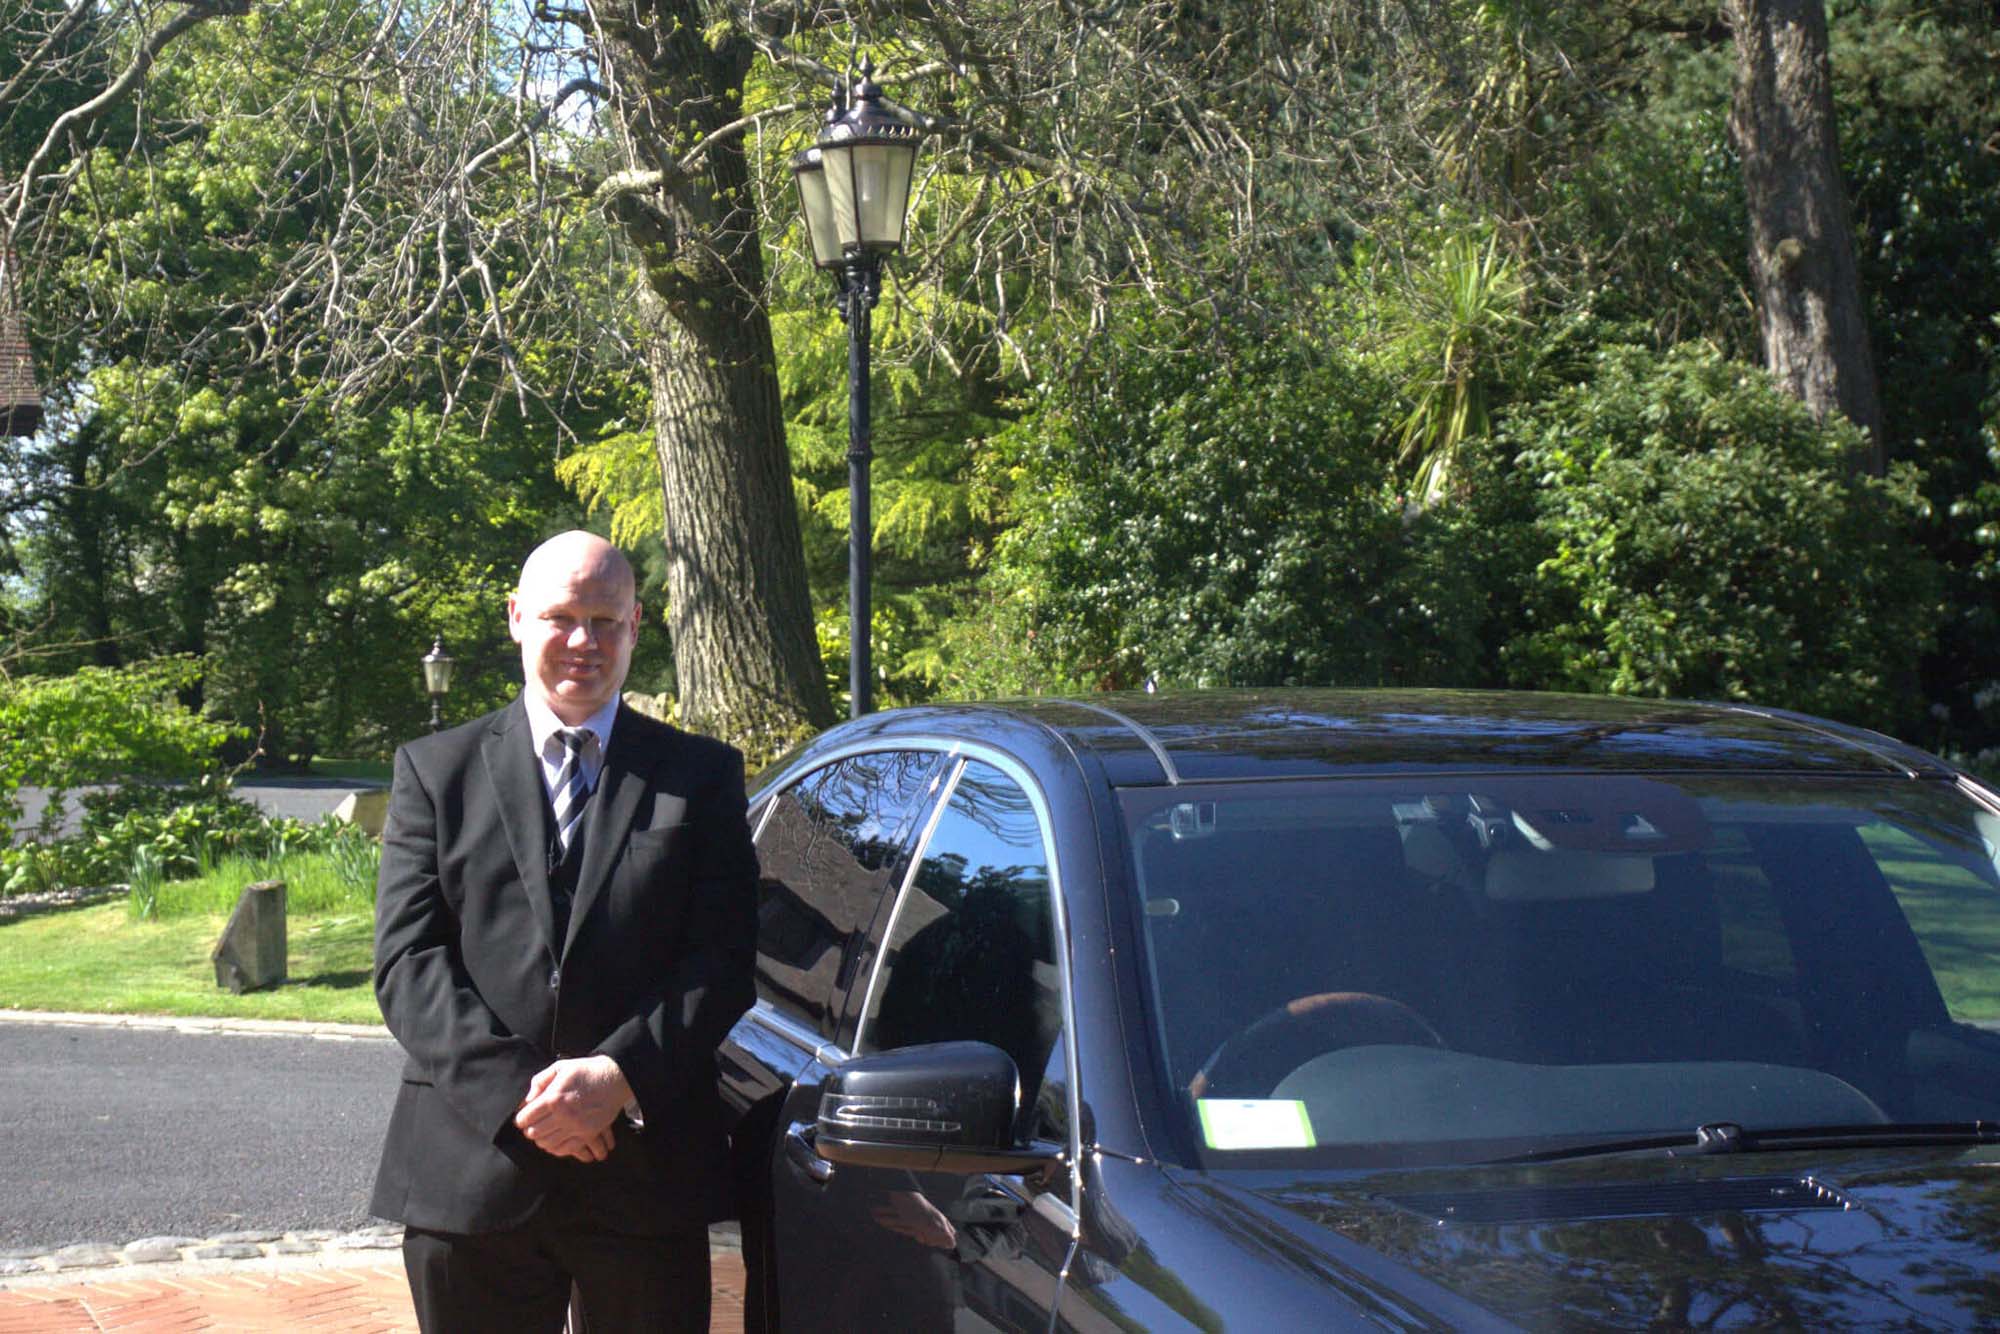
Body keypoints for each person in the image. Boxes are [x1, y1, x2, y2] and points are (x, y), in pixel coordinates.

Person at [371, 530, 758, 1332]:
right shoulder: (434, 772)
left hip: (644, 1174)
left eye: (606, 620)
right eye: (560, 618)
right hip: (474, 1171)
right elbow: (409, 962)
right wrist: (529, 1098)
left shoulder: (701, 777)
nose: (584, 642)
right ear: (516, 618)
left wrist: (617, 1076)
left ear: (636, 625)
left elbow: (722, 961)